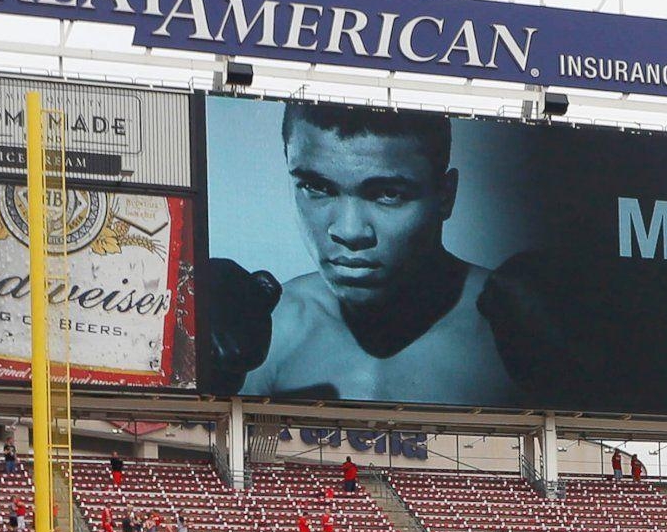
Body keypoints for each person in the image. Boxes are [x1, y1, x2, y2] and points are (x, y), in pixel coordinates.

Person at [217, 103, 518, 406]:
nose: (350, 231)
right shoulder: (278, 329)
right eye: (316, 187)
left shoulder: (508, 331)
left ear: (445, 196)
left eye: (389, 193)